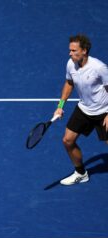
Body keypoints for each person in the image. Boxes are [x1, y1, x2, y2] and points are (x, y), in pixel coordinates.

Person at [54, 34, 108, 185]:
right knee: (67, 141)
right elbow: (69, 83)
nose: (70, 53)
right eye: (70, 50)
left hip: (104, 111)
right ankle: (81, 173)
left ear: (84, 51)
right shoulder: (71, 64)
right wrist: (60, 107)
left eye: (73, 50)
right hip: (84, 109)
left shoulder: (99, 68)